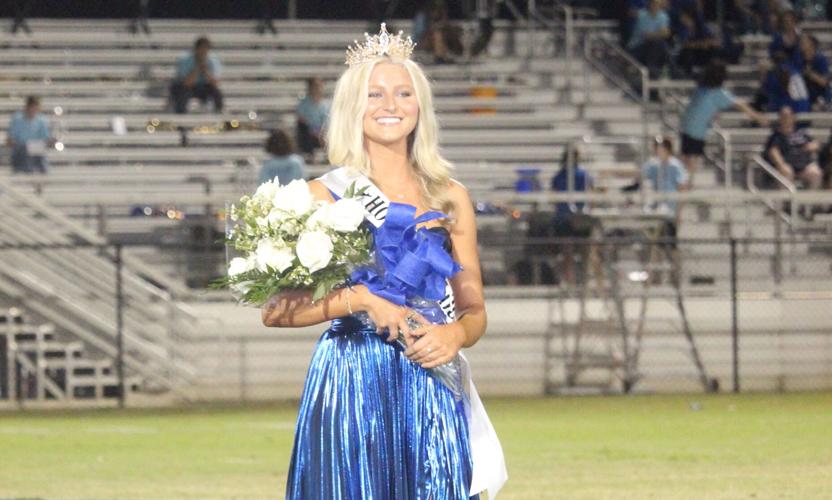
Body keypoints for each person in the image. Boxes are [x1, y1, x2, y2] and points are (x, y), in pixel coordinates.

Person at [261, 24, 506, 499]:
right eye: (375, 94)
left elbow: (475, 312)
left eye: (403, 93)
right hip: (350, 380)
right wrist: (359, 299)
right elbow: (274, 310)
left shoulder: (451, 198)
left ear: (421, 106)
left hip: (430, 376)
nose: (390, 106)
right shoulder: (319, 195)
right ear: (353, 106)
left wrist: (454, 334)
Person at [679, 60, 769, 176]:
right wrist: (757, 117)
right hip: (697, 130)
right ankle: (688, 182)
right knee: (693, 156)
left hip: (686, 125)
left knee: (685, 155)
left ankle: (682, 180)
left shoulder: (700, 89)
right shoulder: (719, 93)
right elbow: (740, 104)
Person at [551, 145, 594, 285]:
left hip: (566, 219)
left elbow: (553, 199)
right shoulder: (582, 175)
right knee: (583, 253)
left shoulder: (560, 176)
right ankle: (583, 282)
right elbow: (591, 196)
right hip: (577, 218)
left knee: (567, 253)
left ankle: (571, 282)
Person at [764, 105, 823, 189]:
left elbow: (815, 144)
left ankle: (809, 200)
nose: (785, 119)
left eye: (788, 116)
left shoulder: (801, 133)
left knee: (816, 173)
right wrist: (781, 164)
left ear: (793, 118)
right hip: (786, 166)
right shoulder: (776, 136)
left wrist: (813, 146)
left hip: (803, 165)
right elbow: (773, 151)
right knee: (786, 171)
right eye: (783, 116)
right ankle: (787, 200)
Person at [169, 37, 223, 114]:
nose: (203, 52)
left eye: (206, 49)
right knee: (182, 92)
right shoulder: (186, 60)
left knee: (216, 92)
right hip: (187, 87)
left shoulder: (213, 61)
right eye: (201, 49)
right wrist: (197, 69)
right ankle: (181, 113)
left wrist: (206, 72)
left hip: (203, 86)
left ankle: (219, 112)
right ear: (196, 49)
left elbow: (215, 83)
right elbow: (186, 83)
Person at [6, 96, 54, 174]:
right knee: (25, 151)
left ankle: (42, 174)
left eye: (36, 107)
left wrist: (50, 142)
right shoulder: (17, 119)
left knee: (39, 152)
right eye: (32, 107)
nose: (33, 110)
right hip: (21, 149)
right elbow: (10, 139)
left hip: (35, 149)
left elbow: (45, 138)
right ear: (27, 107)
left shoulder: (42, 120)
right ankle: (31, 172)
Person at [627, 0, 672, 79]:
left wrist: (659, 34)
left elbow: (666, 34)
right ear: (649, 4)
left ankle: (653, 69)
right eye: (653, 3)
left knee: (658, 43)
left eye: (657, 4)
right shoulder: (641, 15)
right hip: (637, 47)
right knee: (659, 43)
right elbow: (647, 36)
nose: (655, 6)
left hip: (654, 47)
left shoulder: (663, 16)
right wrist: (660, 33)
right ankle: (672, 68)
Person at [295, 77, 329, 155]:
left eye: (320, 86)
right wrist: (314, 130)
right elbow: (302, 120)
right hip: (309, 133)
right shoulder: (303, 104)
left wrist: (321, 132)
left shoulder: (326, 105)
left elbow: (327, 121)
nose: (318, 89)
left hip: (322, 132)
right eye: (315, 86)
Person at [797, 34, 831, 108]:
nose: (801, 43)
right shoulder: (799, 59)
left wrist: (810, 74)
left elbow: (824, 82)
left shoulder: (821, 59)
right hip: (806, 97)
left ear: (812, 44)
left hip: (822, 97)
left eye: (804, 42)